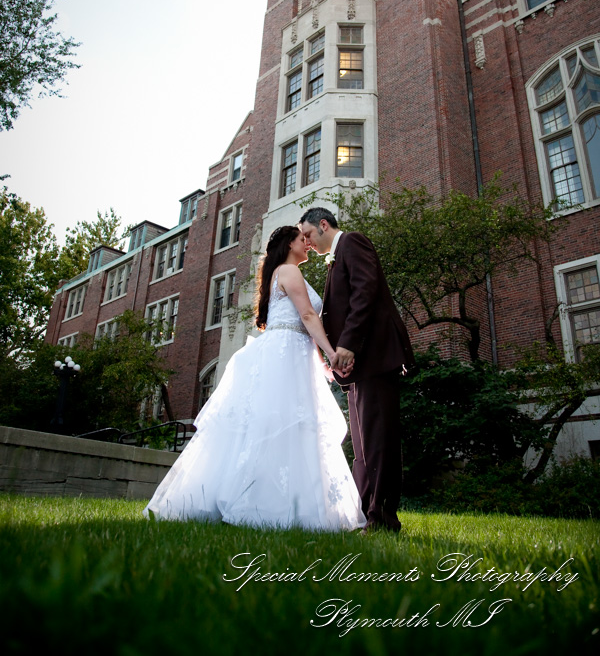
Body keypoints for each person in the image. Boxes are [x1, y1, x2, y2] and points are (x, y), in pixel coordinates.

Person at [144, 226, 365, 531]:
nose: (307, 244)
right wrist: (331, 352)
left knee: (283, 426)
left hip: (292, 351)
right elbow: (307, 317)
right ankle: (266, 505)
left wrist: (322, 364)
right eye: (302, 239)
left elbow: (302, 328)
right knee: (282, 425)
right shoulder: (288, 271)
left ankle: (284, 503)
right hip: (285, 356)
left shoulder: (279, 273)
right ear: (289, 244)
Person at [299, 207, 414, 533]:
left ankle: (383, 519)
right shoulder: (335, 259)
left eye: (308, 234)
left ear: (323, 225)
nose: (306, 242)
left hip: (375, 358)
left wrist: (348, 343)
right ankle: (364, 516)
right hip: (359, 367)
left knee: (379, 443)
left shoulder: (352, 242)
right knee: (363, 449)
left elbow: (366, 291)